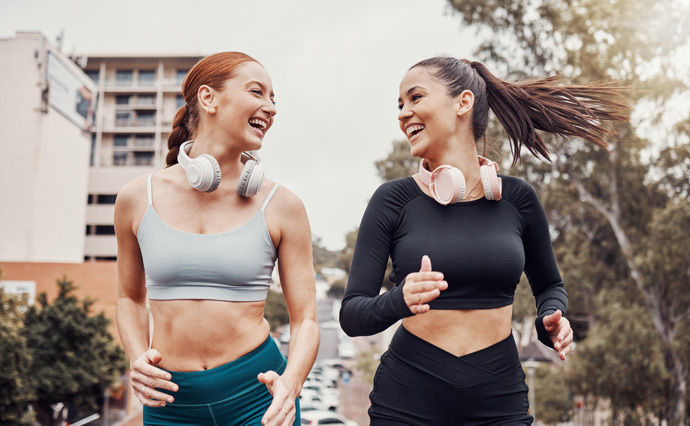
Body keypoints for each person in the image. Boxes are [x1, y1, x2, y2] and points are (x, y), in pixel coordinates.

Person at [339, 57, 629, 425]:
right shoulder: (392, 201)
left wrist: (550, 320)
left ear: (462, 103)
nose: (403, 113)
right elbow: (351, 314)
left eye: (415, 98)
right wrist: (400, 299)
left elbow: (550, 286)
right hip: (408, 395)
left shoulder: (518, 200)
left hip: (498, 395)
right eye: (400, 105)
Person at [115, 52, 319, 426]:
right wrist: (136, 355)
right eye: (257, 92)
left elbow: (306, 319)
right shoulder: (135, 198)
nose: (270, 108)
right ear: (208, 98)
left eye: (274, 99)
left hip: (259, 395)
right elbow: (129, 297)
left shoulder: (283, 205)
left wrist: (291, 382)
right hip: (169, 402)